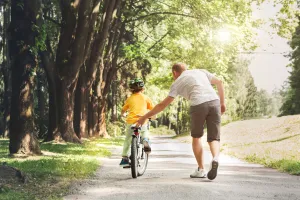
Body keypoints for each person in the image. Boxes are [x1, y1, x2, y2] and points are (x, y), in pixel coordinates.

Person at [136, 63, 225, 180]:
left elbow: (162, 105)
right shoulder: (200, 71)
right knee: (214, 138)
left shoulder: (177, 82)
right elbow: (219, 82)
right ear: (186, 69)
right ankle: (215, 158)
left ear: (174, 72)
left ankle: (201, 169)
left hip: (198, 104)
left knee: (196, 137)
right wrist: (222, 103)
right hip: (214, 101)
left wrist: (143, 117)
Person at [119, 78, 154, 167]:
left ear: (131, 89)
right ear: (143, 89)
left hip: (131, 121)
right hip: (142, 119)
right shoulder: (146, 98)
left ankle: (124, 158)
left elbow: (123, 109)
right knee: (144, 131)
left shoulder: (129, 99)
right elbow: (152, 109)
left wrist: (122, 114)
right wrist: (153, 117)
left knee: (128, 139)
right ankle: (145, 140)